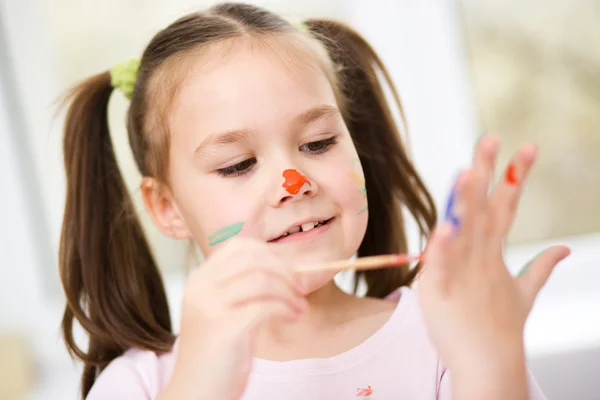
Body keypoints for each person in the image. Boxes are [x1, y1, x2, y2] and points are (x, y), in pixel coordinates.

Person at [58, 3, 569, 399]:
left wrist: (491, 362)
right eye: (237, 164)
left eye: (319, 143)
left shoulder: (442, 338)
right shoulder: (144, 385)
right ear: (167, 207)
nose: (293, 181)